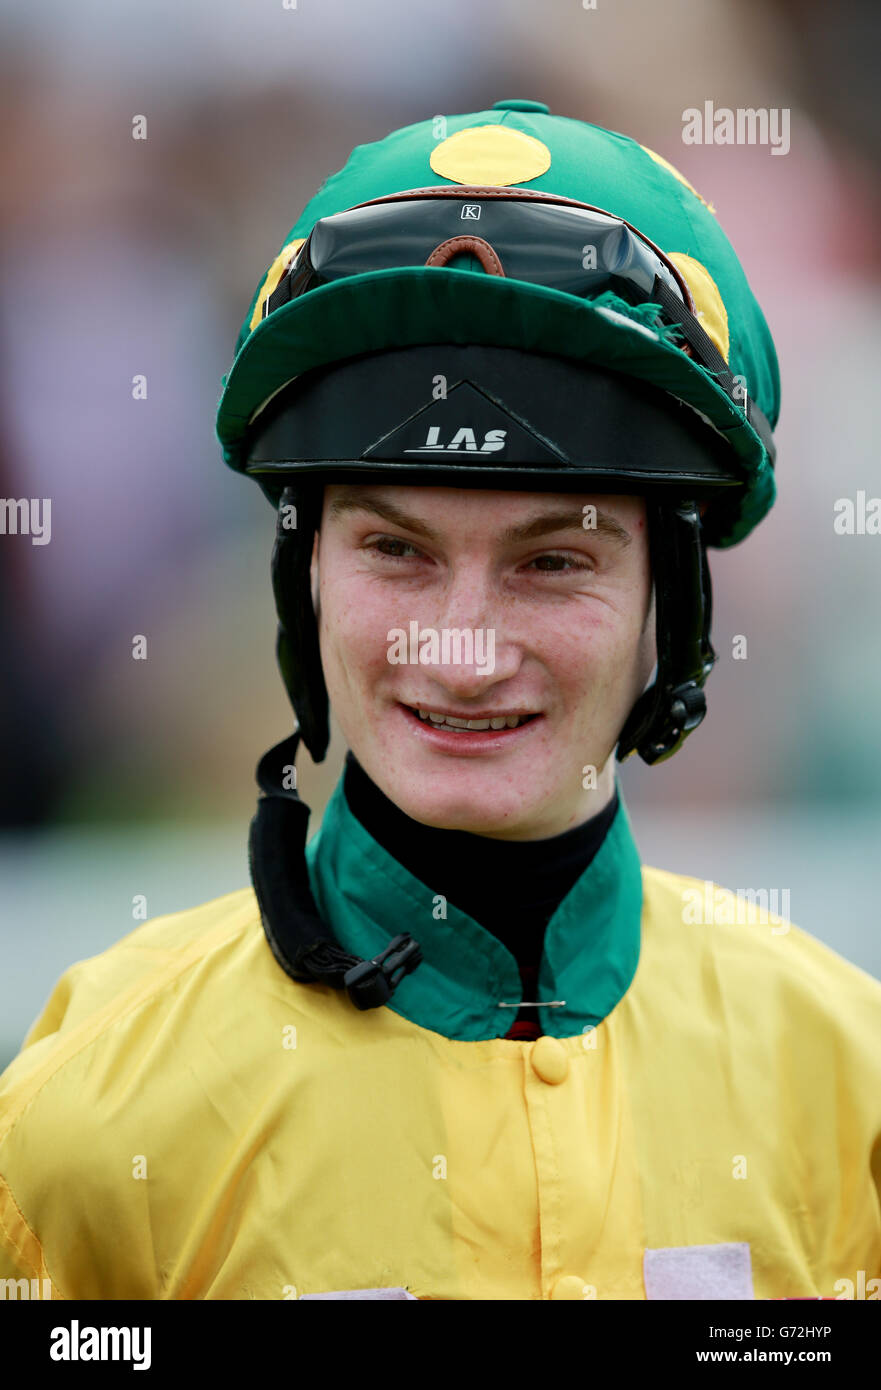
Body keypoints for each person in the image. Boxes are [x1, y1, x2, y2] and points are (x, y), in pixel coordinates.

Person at [1, 99, 879, 1303]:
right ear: (301, 575)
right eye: (396, 552)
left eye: (550, 561)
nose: (460, 653)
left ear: (664, 608)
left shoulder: (849, 1088)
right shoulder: (85, 1118)